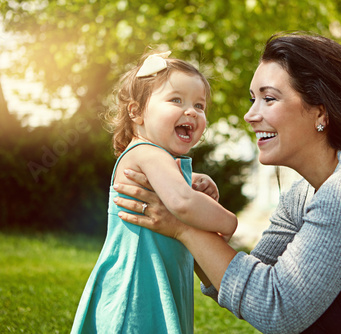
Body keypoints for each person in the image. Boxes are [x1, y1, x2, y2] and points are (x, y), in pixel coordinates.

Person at [112, 32, 341, 333]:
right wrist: (189, 218)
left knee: (312, 303)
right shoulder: (303, 192)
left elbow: (278, 307)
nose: (250, 115)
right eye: (253, 99)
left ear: (321, 110)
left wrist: (184, 226)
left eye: (269, 99)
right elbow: (253, 281)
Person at [71, 51, 237, 334]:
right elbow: (182, 203)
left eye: (199, 104)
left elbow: (178, 192)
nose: (191, 111)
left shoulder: (159, 160)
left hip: (156, 282)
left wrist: (195, 182)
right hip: (136, 289)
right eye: (176, 100)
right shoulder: (147, 152)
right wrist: (227, 221)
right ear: (136, 112)